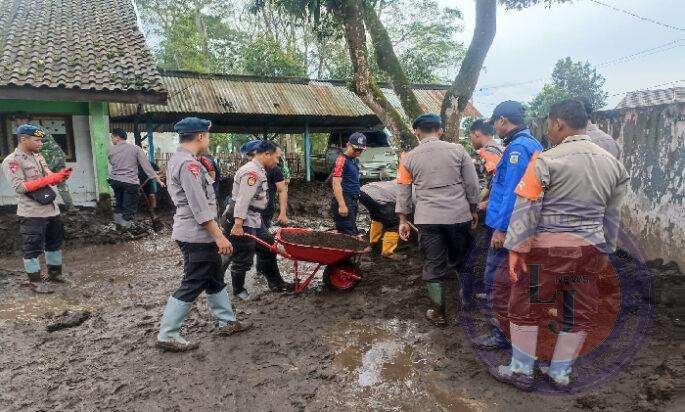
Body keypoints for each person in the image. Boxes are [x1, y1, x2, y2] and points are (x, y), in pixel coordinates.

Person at [489, 99, 628, 391]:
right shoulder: (613, 164)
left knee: (525, 304)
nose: (548, 131)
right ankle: (560, 373)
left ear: (559, 123)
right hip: (590, 248)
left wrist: (516, 249)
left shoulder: (545, 160)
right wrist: (606, 250)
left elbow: (527, 207)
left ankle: (521, 370)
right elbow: (612, 215)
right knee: (578, 309)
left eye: (549, 125)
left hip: (547, 248)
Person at [157, 117, 251, 352]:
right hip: (196, 235)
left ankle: (226, 322)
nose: (208, 140)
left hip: (195, 232)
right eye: (207, 136)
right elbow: (200, 208)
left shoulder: (180, 160)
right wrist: (219, 236)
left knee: (214, 277)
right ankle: (168, 334)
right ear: (200, 136)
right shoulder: (189, 165)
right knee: (194, 280)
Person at [471, 101, 543, 349]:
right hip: (523, 226)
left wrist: (501, 229)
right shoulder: (529, 144)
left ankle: (501, 334)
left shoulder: (518, 149)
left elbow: (514, 193)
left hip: (510, 228)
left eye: (495, 123)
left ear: (502, 120)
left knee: (495, 281)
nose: (495, 128)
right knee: (517, 281)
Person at [397, 114, 480, 326]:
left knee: (433, 264)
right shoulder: (458, 151)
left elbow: (403, 191)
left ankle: (438, 312)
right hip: (458, 216)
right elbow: (472, 184)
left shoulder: (408, 158)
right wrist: (473, 209)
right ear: (440, 130)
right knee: (463, 260)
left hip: (428, 220)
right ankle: (468, 303)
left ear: (417, 132)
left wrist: (403, 220)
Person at [1, 124, 73, 289]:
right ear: (23, 139)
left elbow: (48, 175)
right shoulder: (12, 161)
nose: (41, 143)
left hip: (51, 209)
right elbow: (20, 187)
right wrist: (48, 180)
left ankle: (55, 275)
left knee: (54, 244)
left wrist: (59, 176)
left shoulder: (38, 156)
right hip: (31, 213)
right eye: (37, 140)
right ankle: (35, 281)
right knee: (32, 248)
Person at [226, 140, 288, 300]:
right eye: (277, 157)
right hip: (243, 218)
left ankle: (276, 283)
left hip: (254, 217)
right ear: (267, 154)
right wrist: (238, 224)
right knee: (243, 255)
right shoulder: (252, 172)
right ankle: (238, 290)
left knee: (268, 247)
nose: (277, 161)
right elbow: (243, 200)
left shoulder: (260, 169)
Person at [14, 113, 75, 211]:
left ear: (23, 120)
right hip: (58, 156)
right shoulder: (36, 128)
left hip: (48, 157)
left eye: (17, 120)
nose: (16, 122)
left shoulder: (29, 130)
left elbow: (34, 144)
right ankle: (70, 207)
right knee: (61, 183)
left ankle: (42, 206)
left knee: (38, 181)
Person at [107, 129, 164, 228]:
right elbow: (147, 166)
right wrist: (158, 180)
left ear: (117, 137)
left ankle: (118, 226)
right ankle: (125, 228)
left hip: (115, 181)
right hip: (130, 182)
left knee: (119, 203)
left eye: (112, 137)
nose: (112, 140)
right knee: (128, 206)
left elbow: (112, 162)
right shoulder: (136, 149)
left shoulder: (110, 150)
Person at [331, 133, 366, 236]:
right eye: (355, 150)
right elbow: (336, 183)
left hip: (353, 200)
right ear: (348, 145)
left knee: (352, 231)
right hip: (345, 199)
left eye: (360, 151)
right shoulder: (341, 160)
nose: (358, 153)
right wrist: (342, 205)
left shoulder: (355, 161)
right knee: (347, 233)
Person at [359, 180, 401, 258]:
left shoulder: (401, 181)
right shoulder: (413, 191)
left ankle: (373, 244)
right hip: (379, 197)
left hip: (363, 192)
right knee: (393, 224)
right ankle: (388, 252)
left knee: (377, 218)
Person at [469, 119, 504, 211]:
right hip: (498, 205)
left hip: (481, 207)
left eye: (470, 137)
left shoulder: (480, 154)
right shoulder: (502, 151)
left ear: (476, 134)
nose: (471, 141)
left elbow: (469, 182)